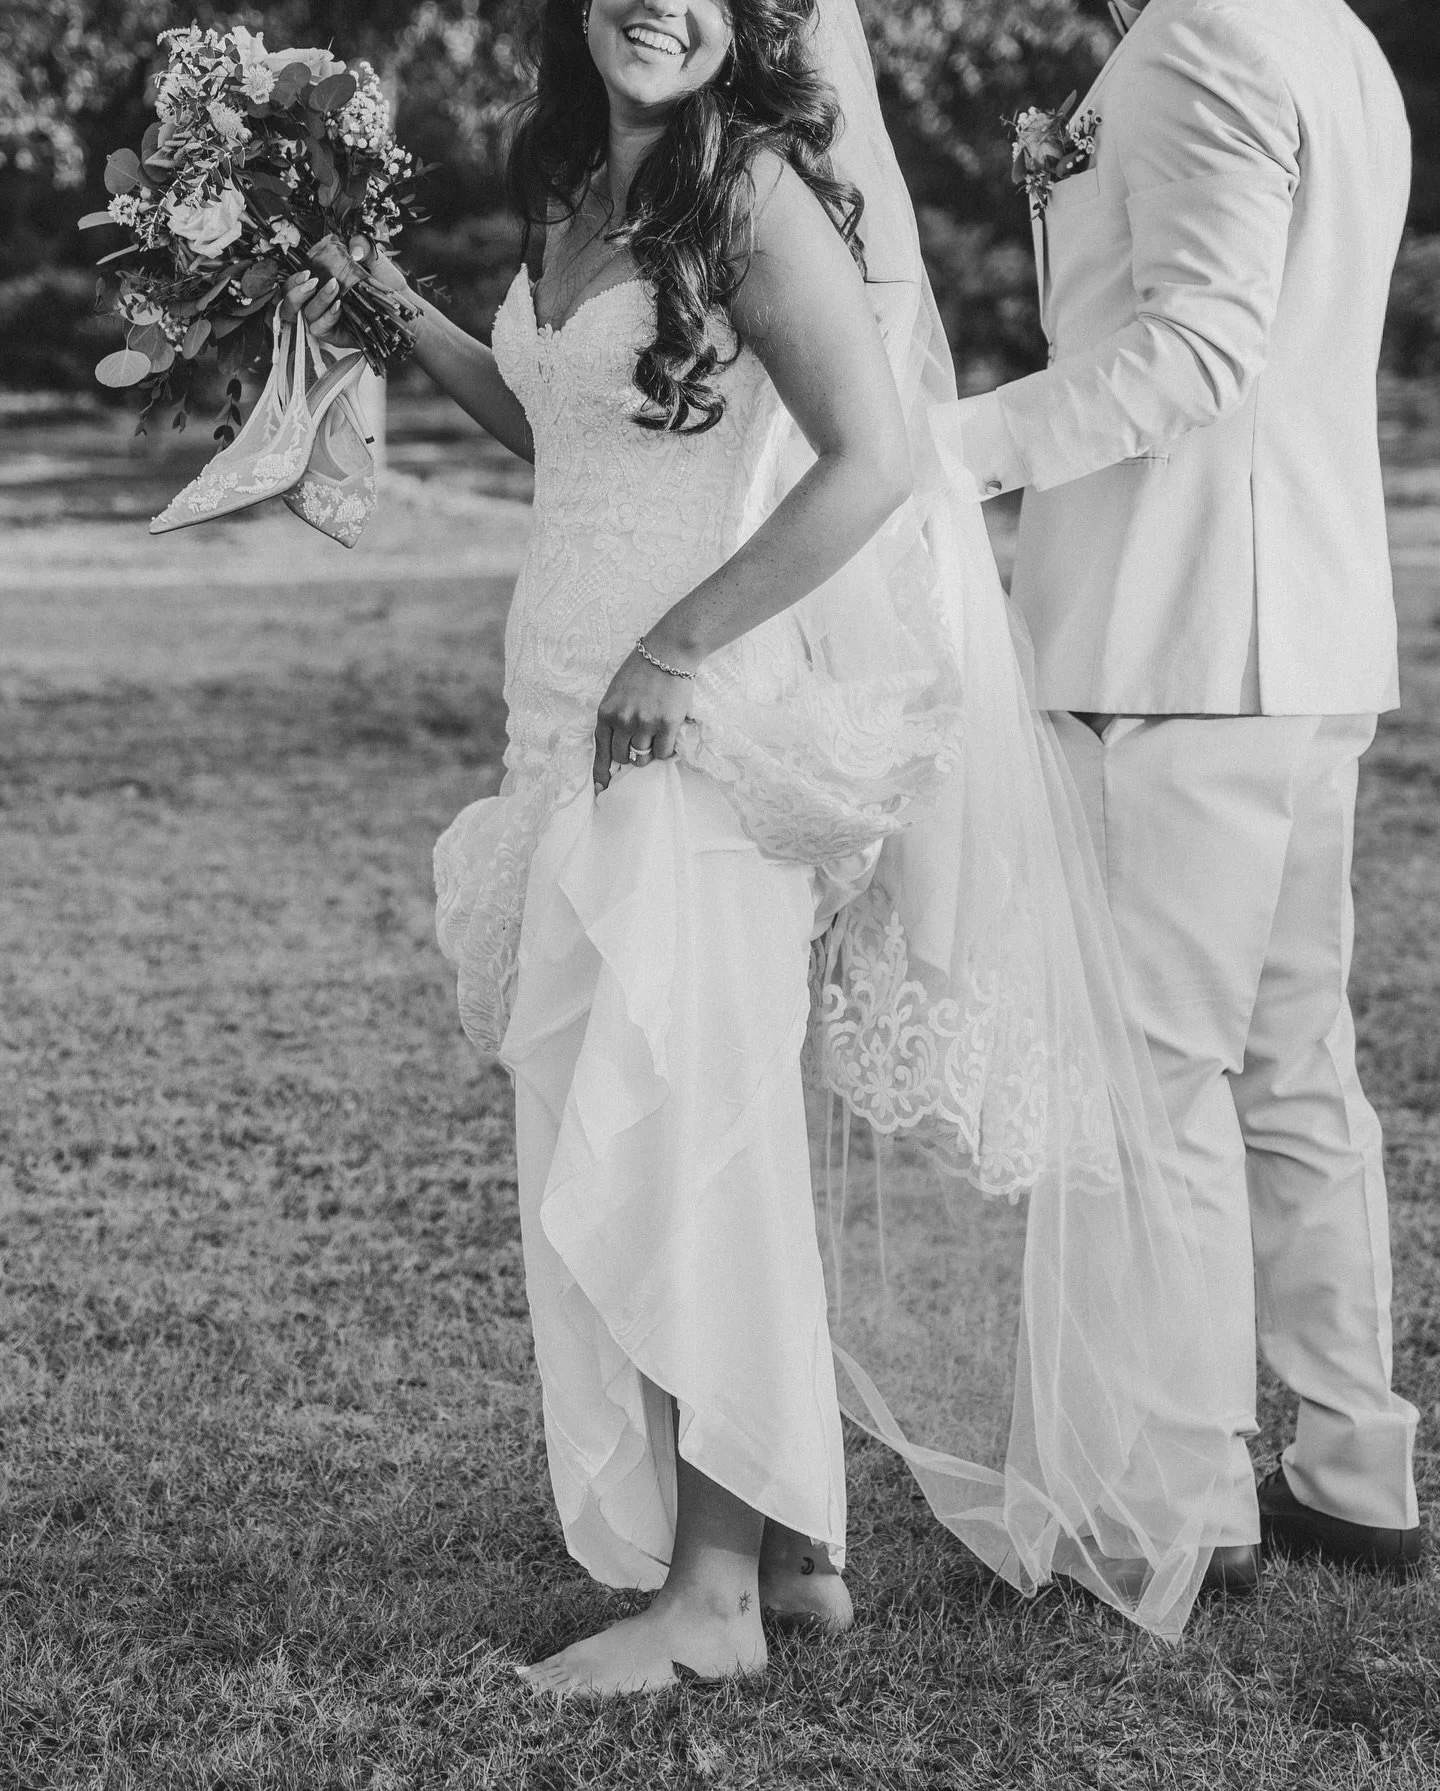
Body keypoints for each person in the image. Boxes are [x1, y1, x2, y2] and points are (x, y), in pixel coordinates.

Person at [286, 0, 1235, 1697]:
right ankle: (784, 1551)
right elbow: (570, 428)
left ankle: (712, 1604)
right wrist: (394, 310)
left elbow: (873, 465)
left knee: (693, 1125)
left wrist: (677, 648)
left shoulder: (757, 195)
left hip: (695, 720)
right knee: (618, 1102)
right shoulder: (572, 180)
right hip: (560, 706)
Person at [945, 0, 1421, 1585]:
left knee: (1164, 1071)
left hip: (1192, 630)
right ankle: (1354, 1463)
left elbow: (1204, 347)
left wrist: (952, 451)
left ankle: (1190, 1492)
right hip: (1304, 632)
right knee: (1292, 1065)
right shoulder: (1332, 35)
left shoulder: (1213, 32)